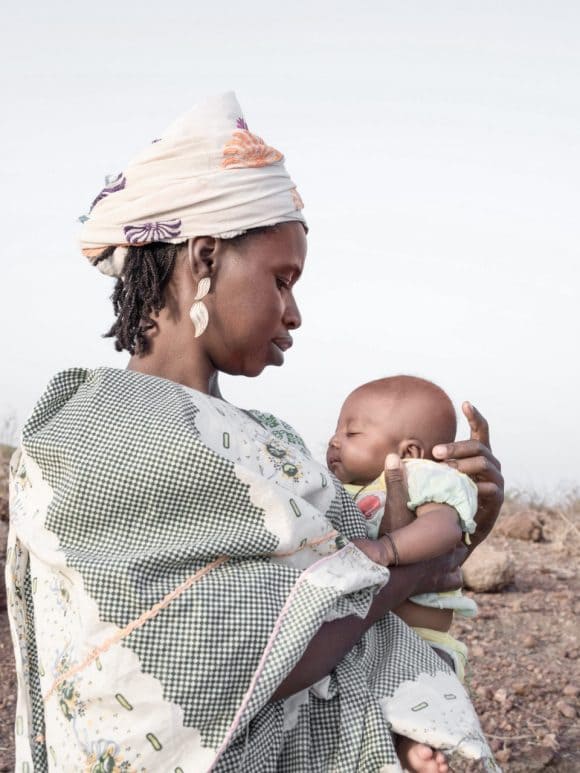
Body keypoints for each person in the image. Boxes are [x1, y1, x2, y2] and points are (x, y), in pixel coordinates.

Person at [6, 93, 504, 773]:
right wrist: (427, 552)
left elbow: (350, 576)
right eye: (281, 279)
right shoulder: (102, 428)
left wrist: (458, 511)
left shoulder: (264, 438)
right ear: (205, 257)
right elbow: (283, 645)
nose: (294, 312)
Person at [328, 375, 484, 771]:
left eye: (352, 432)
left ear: (409, 450)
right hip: (368, 633)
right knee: (365, 696)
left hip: (423, 636)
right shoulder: (344, 492)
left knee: (424, 686)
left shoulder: (424, 475)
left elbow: (444, 526)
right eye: (335, 430)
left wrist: (388, 548)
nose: (334, 441)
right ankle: (394, 747)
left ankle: (412, 747)